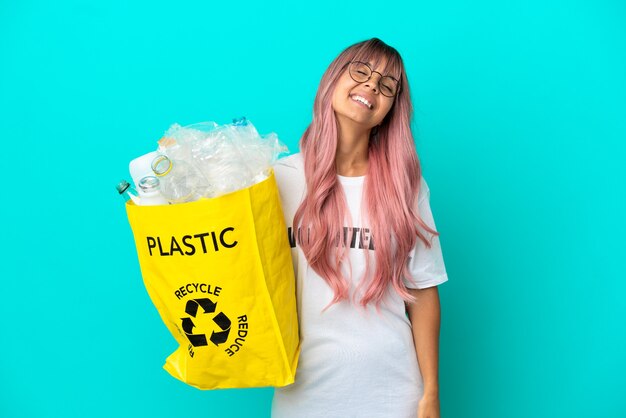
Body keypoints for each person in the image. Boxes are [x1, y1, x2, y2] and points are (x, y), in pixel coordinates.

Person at [271, 38, 449, 418]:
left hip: (393, 393)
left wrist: (431, 394)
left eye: (387, 86)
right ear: (333, 80)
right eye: (361, 72)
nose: (371, 86)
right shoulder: (277, 180)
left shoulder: (406, 187)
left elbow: (424, 292)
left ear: (389, 111)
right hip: (301, 393)